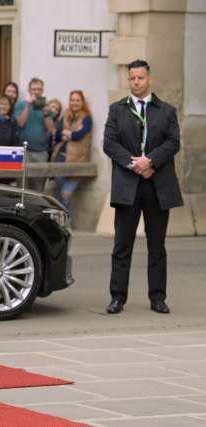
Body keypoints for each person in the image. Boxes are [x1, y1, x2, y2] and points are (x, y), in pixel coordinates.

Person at [103, 59, 182, 315]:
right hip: (128, 185)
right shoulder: (117, 110)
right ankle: (117, 297)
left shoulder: (166, 111)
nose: (135, 82)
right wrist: (133, 164)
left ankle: (158, 297)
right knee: (122, 245)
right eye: (132, 78)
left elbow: (173, 143)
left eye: (140, 78)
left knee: (157, 246)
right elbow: (110, 143)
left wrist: (151, 161)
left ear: (149, 79)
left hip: (158, 185)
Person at [51, 91, 92, 210]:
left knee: (65, 195)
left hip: (77, 162)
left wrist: (69, 133)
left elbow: (80, 135)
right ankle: (64, 225)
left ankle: (63, 225)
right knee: (60, 196)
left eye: (77, 100)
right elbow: (58, 134)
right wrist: (68, 133)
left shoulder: (87, 118)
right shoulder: (66, 115)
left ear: (82, 102)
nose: (75, 103)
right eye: (72, 100)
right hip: (60, 159)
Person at [14, 77, 55, 191]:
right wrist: (28, 105)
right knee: (22, 187)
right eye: (34, 89)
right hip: (24, 152)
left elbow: (51, 129)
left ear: (42, 91)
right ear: (29, 90)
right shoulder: (21, 105)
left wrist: (46, 114)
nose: (36, 92)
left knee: (38, 188)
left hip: (41, 152)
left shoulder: (47, 107)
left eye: (39, 89)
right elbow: (21, 123)